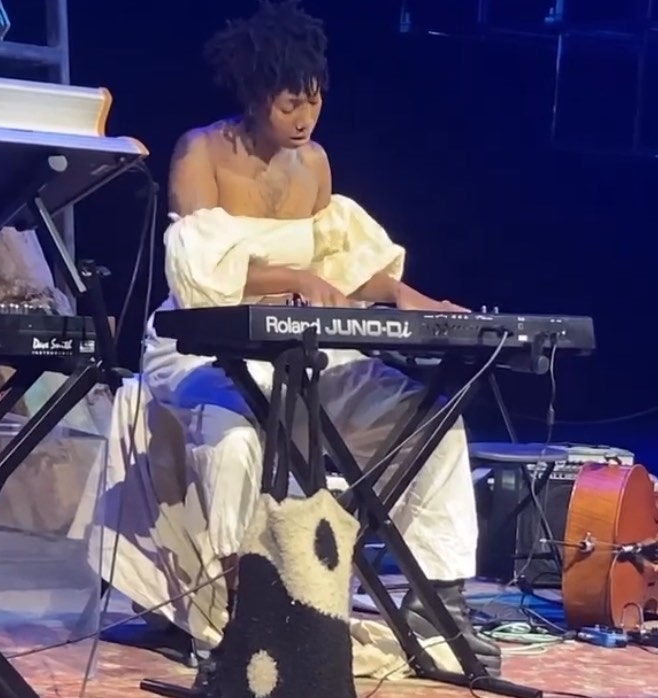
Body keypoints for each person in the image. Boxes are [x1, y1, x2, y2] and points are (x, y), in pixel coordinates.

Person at [142, 0, 501, 691]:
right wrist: (294, 278)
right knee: (238, 442)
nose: (304, 118)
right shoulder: (202, 153)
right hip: (204, 347)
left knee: (428, 420)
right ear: (255, 94)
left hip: (302, 349)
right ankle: (240, 620)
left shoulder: (314, 163)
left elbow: (340, 265)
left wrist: (404, 295)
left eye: (314, 102)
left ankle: (437, 603)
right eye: (289, 104)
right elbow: (196, 277)